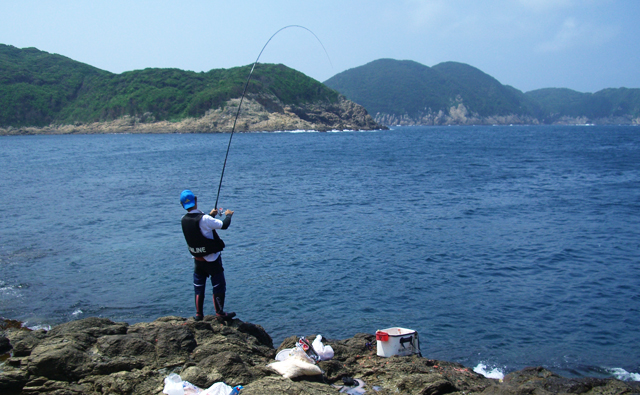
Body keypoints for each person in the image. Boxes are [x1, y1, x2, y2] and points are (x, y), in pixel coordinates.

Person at [180, 189, 236, 321]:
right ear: (196, 200)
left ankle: (199, 315)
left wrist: (211, 215)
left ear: (183, 205)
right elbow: (224, 225)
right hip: (212, 260)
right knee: (218, 285)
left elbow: (200, 228)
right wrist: (228, 215)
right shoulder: (204, 219)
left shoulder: (184, 219)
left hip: (198, 260)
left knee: (199, 287)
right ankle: (220, 313)